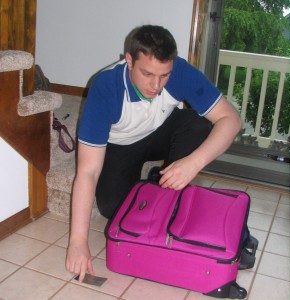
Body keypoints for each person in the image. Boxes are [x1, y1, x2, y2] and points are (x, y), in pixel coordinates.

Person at [66, 25, 243, 282]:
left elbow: (231, 120)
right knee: (113, 208)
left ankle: (170, 193)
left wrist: (193, 163)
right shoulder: (106, 88)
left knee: (198, 124)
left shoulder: (179, 71)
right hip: (120, 143)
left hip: (159, 131)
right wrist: (78, 241)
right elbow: (88, 170)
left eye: (164, 75)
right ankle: (155, 182)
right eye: (147, 74)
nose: (156, 85)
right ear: (128, 60)